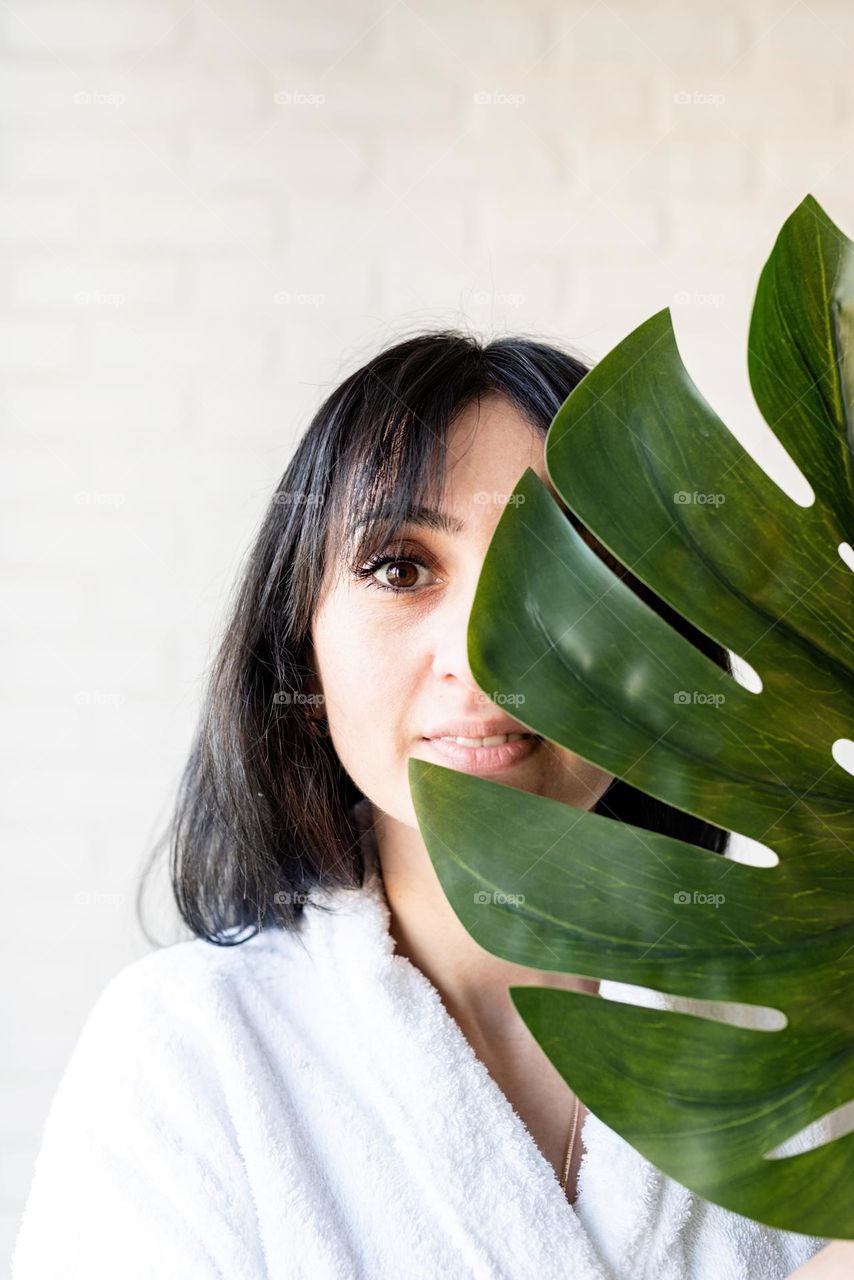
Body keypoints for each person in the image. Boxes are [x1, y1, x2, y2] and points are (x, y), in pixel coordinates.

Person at [12, 331, 851, 1278]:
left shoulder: (817, 1028)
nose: (485, 657)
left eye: (561, 572)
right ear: (302, 643)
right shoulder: (189, 1055)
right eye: (401, 569)